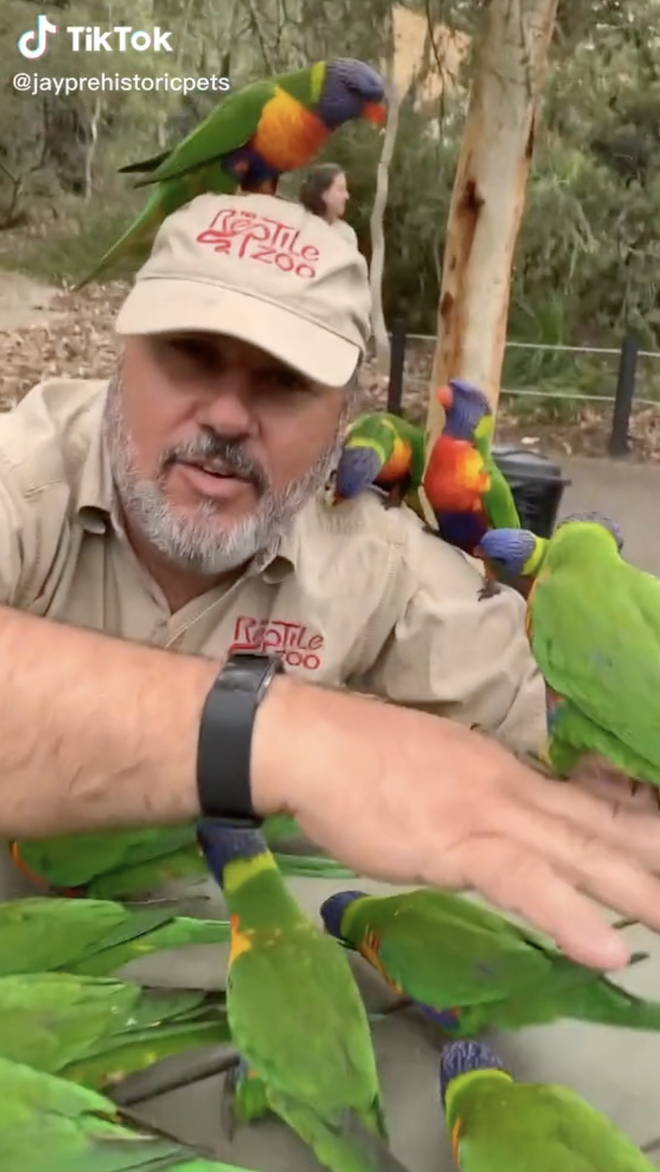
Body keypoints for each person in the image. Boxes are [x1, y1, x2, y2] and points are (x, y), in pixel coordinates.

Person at [1, 189, 660, 972]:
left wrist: (609, 771)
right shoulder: (24, 474)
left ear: (343, 413)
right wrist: (293, 737)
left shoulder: (371, 558)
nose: (227, 416)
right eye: (191, 354)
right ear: (125, 354)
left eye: (284, 381)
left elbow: (547, 713)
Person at [298, 162, 358, 246]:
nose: (347, 196)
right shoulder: (297, 224)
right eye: (341, 189)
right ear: (323, 193)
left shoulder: (346, 235)